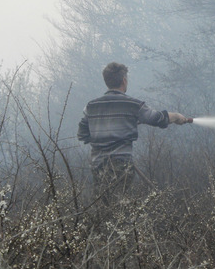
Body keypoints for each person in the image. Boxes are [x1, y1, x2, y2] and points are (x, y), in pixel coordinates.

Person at [77, 62, 192, 205]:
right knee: (119, 206)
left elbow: (82, 134)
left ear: (106, 81)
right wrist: (176, 117)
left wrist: (102, 133)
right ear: (124, 80)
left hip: (98, 165)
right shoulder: (133, 105)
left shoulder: (91, 106)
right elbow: (157, 118)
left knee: (102, 205)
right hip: (121, 166)